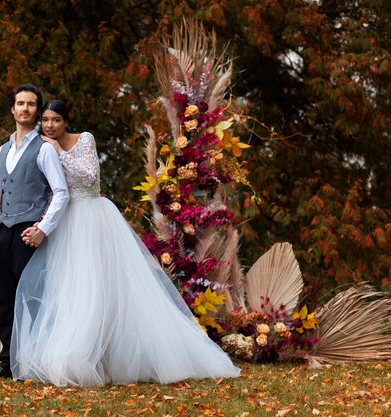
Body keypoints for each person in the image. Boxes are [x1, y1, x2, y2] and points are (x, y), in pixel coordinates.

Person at [12, 100, 240, 386]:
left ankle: (104, 353)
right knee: (69, 285)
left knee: (100, 285)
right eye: (45, 120)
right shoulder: (42, 147)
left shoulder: (84, 140)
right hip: (64, 223)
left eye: (56, 120)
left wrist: (59, 151)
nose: (49, 126)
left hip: (92, 218)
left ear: (66, 121)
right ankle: (79, 351)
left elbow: (90, 175)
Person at [0, 86, 69, 379]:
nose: (25, 109)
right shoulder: (3, 150)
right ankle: (8, 362)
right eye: (20, 103)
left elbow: (61, 193)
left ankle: (39, 363)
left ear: (37, 112)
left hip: (27, 234)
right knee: (5, 303)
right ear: (13, 110)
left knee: (33, 300)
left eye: (31, 104)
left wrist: (43, 229)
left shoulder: (44, 149)